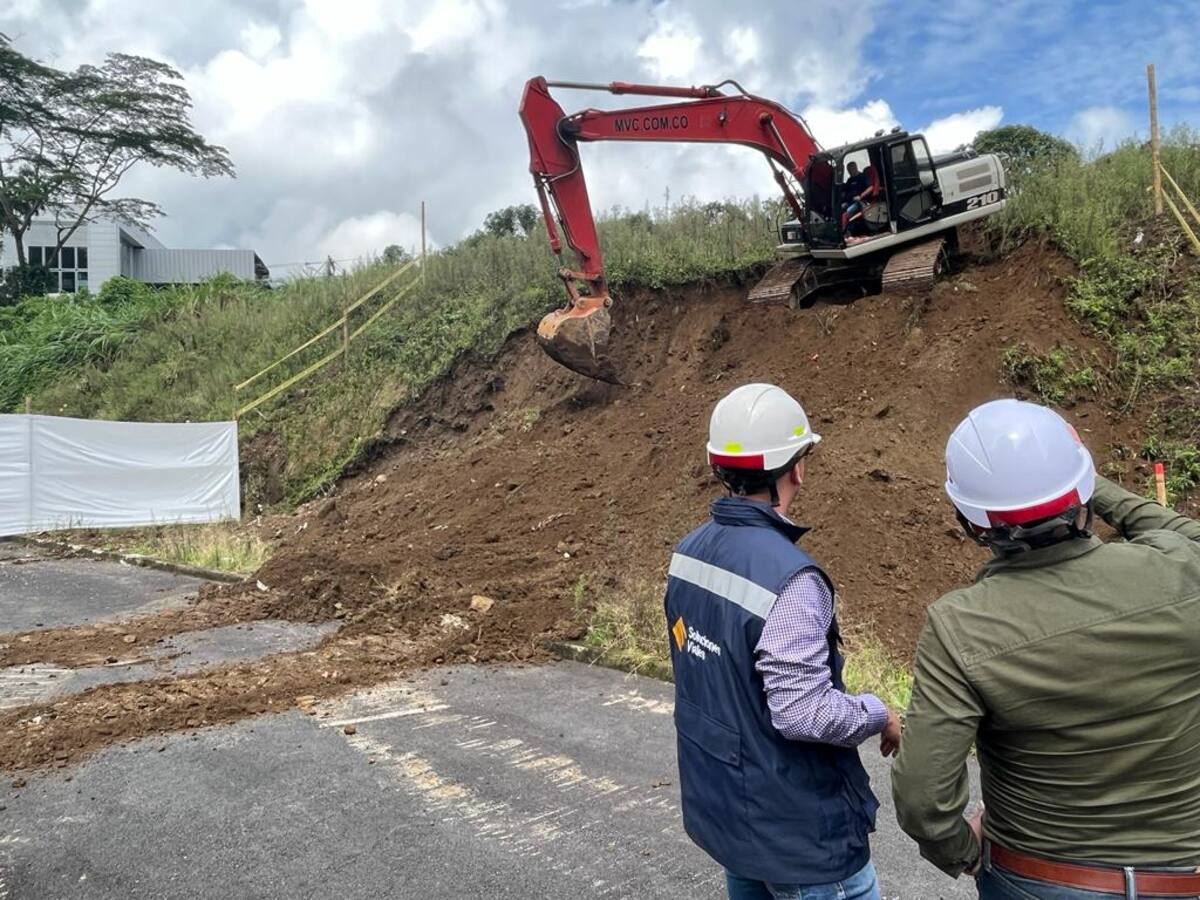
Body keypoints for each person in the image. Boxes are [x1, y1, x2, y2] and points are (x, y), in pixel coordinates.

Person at [892, 398, 1200, 899]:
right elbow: (1183, 532)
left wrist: (964, 853)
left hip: (1039, 880)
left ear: (972, 522)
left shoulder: (961, 626)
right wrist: (1085, 483)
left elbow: (923, 800)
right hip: (1182, 881)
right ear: (1082, 489)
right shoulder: (1184, 572)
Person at [665, 383, 902, 900]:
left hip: (731, 815)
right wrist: (877, 712)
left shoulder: (687, 554)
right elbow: (802, 712)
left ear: (718, 466)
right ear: (796, 469)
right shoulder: (792, 580)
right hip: (798, 838)